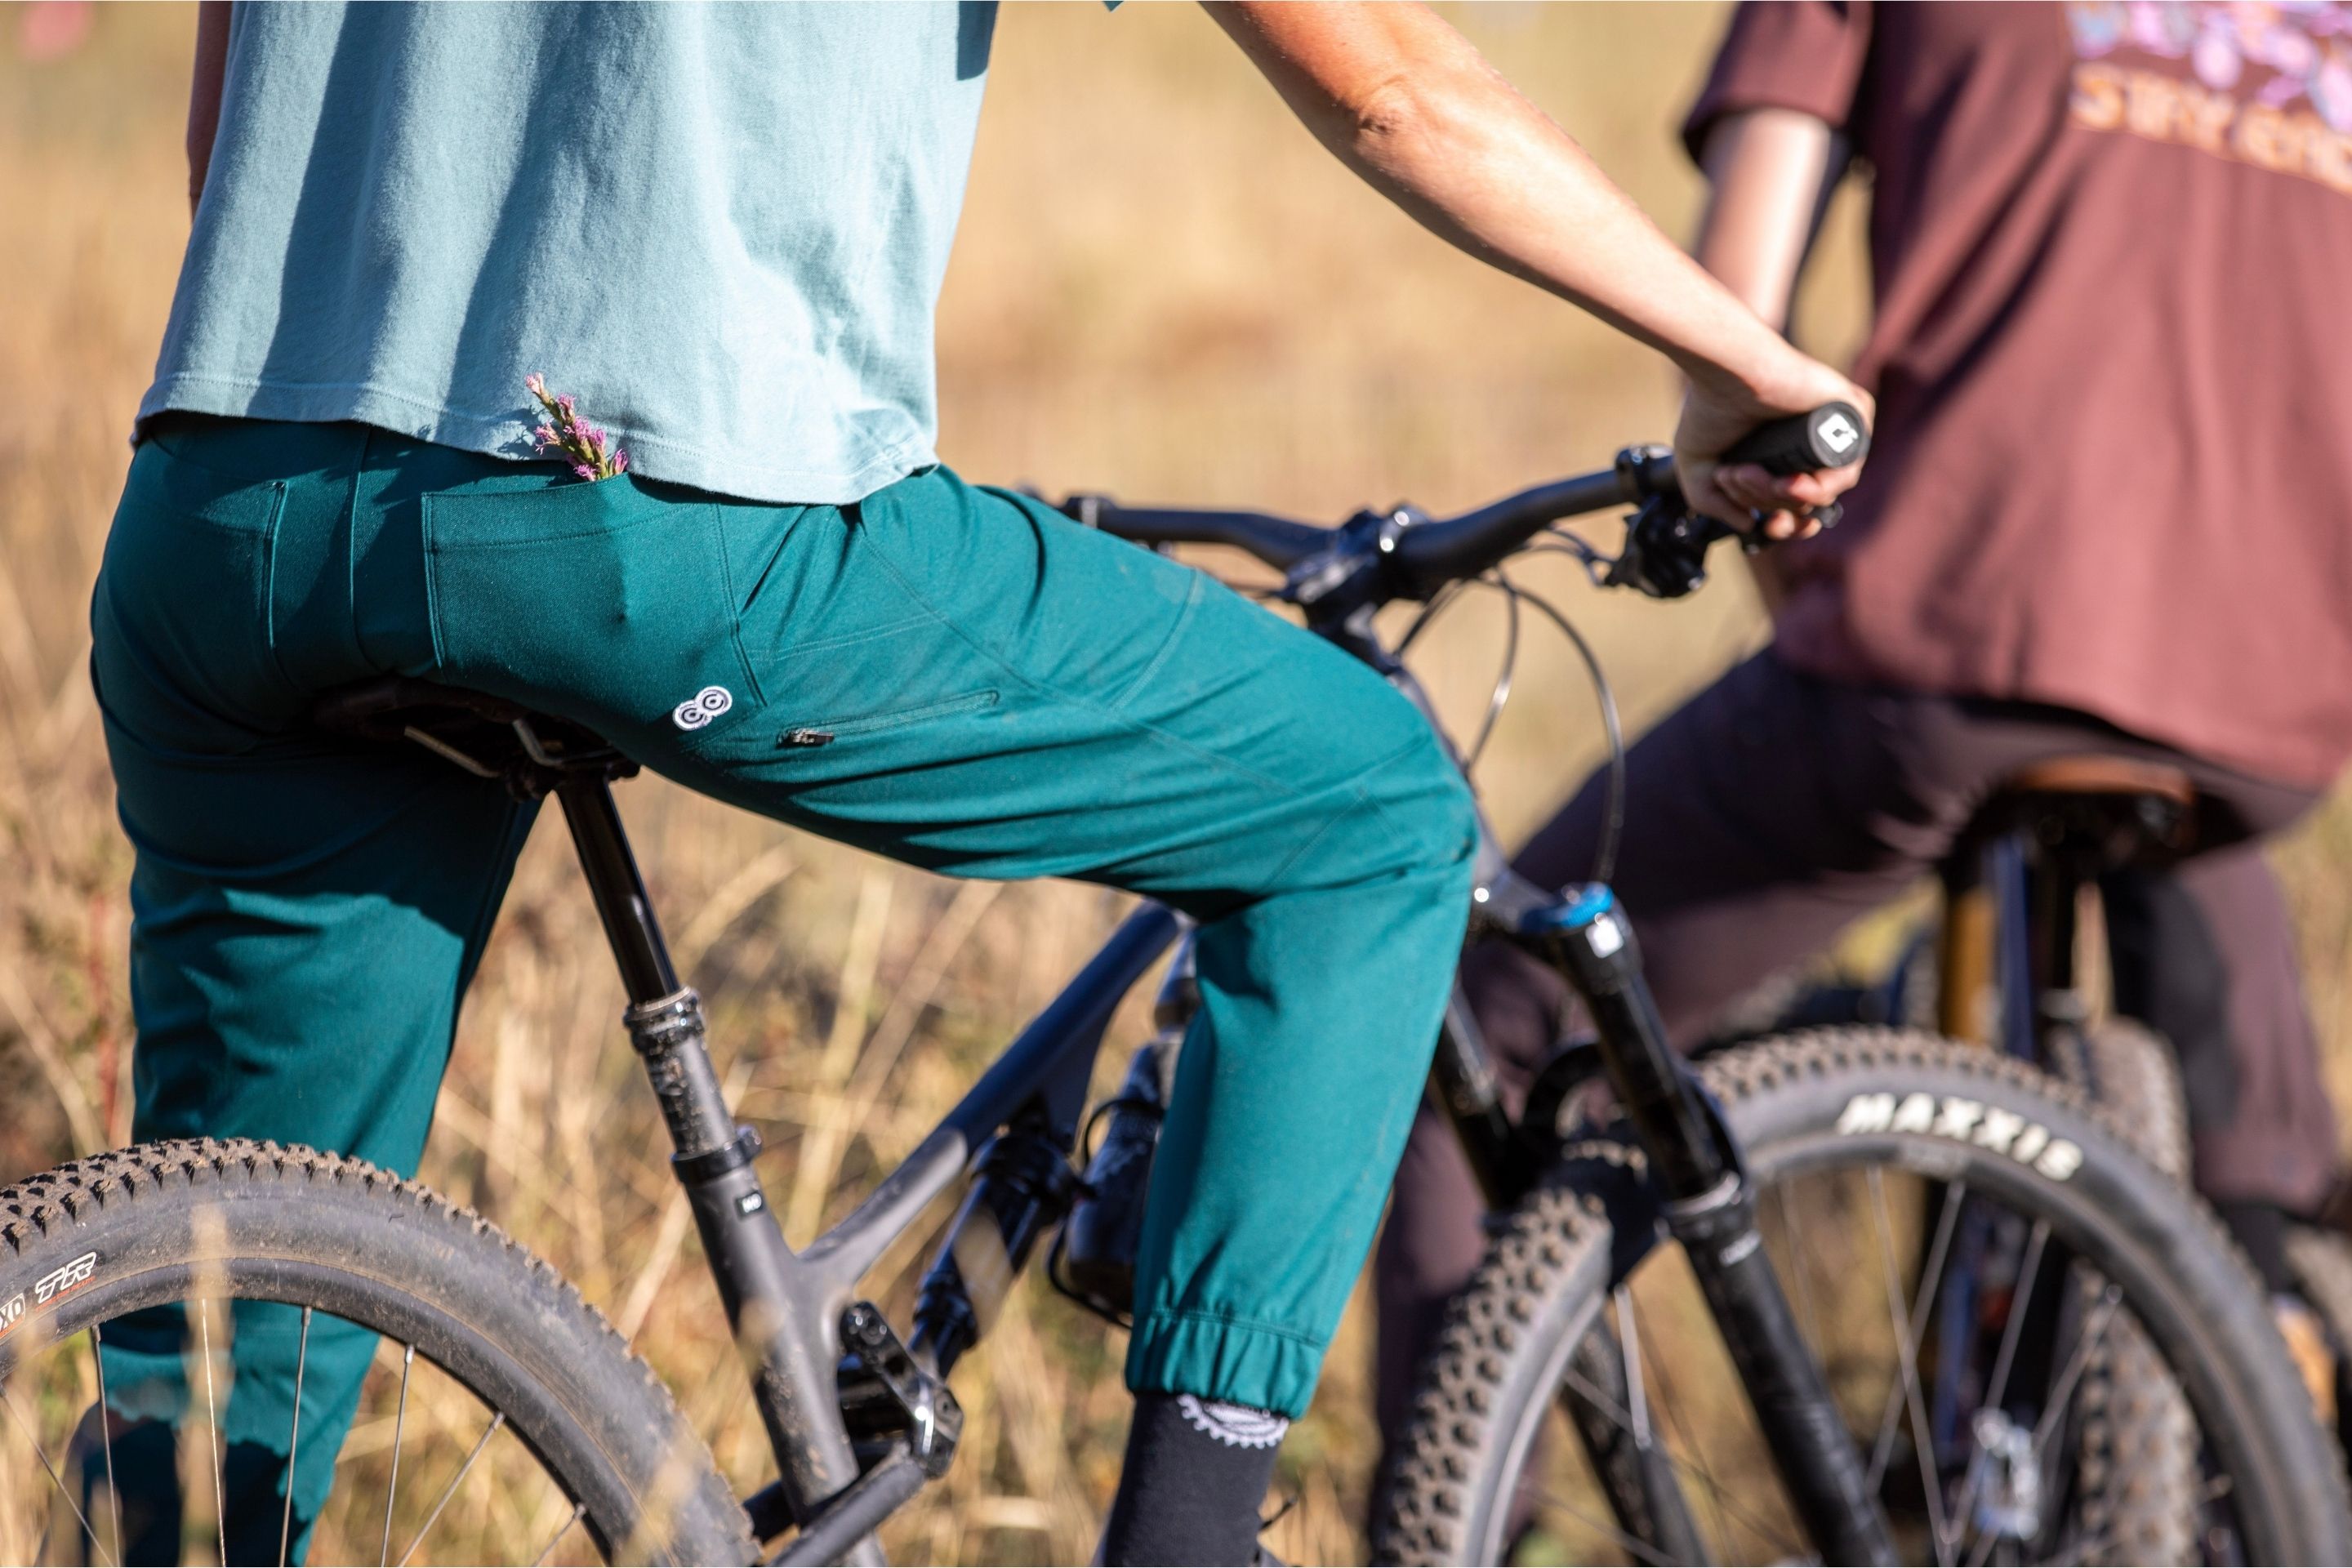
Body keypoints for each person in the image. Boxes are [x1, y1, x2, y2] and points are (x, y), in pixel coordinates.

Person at [91, 2, 1864, 1561]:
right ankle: (1192, 1539)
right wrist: (1737, 360)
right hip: (670, 519)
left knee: (234, 1285)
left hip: (228, 510)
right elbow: (1390, 83)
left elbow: (220, 131)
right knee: (1374, 808)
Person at [1374, 0, 2352, 1477]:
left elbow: (1736, 312)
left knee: (1483, 1032)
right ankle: (2271, 1317)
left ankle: (1464, 1515)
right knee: (2223, 985)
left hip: (1952, 641)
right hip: (2279, 694)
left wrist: (1786, 560)